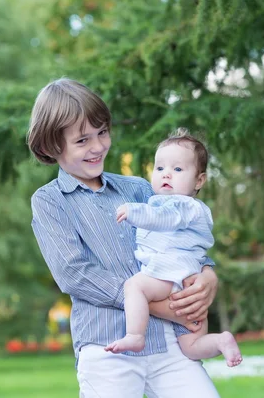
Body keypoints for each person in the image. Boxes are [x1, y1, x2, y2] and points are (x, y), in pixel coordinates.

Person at [28, 78, 222, 397]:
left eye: (102, 132)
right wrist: (156, 304)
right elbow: (74, 274)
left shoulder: (139, 189)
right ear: (51, 147)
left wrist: (207, 273)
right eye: (82, 140)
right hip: (107, 349)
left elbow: (180, 235)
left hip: (170, 344)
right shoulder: (50, 201)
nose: (97, 146)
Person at [104, 129, 242, 368]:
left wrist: (134, 211)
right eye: (160, 168)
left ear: (199, 181)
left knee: (134, 285)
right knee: (192, 349)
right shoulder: (171, 204)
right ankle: (221, 341)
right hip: (186, 283)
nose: (166, 174)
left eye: (177, 169)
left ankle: (136, 336)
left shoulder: (184, 206)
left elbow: (164, 218)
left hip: (169, 273)